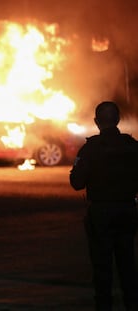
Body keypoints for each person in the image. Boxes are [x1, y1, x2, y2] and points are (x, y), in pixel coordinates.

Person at [70, 101, 138, 311]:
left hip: (100, 214)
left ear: (97, 122)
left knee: (102, 268)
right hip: (128, 210)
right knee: (128, 264)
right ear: (118, 120)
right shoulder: (132, 146)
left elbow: (77, 183)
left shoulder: (90, 149)